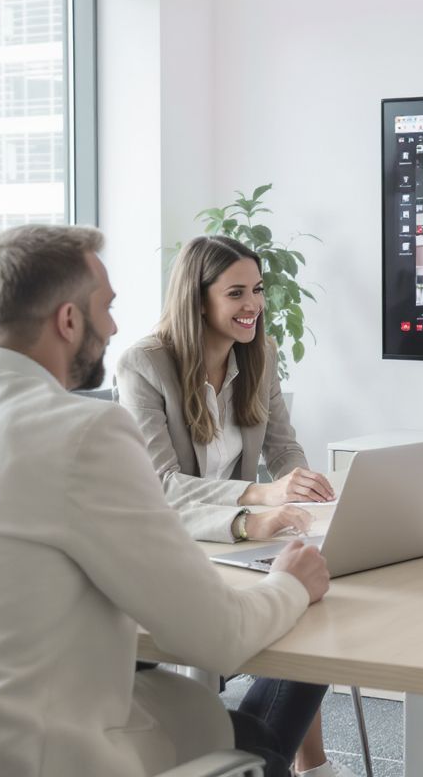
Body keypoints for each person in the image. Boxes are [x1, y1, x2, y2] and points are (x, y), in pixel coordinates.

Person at [0, 225, 331, 777]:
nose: (113, 326)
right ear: (68, 320)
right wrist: (292, 581)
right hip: (32, 754)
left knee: (196, 710)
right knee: (256, 748)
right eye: (106, 307)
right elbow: (218, 638)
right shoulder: (84, 432)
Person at [114, 234, 348, 777]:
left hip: (236, 547)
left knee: (311, 604)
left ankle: (297, 765)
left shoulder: (259, 355)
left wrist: (302, 486)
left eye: (258, 290)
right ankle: (268, 761)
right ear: (198, 299)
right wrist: (255, 501)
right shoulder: (144, 366)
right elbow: (161, 485)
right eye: (236, 292)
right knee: (291, 611)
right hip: (170, 552)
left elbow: (284, 448)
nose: (254, 306)